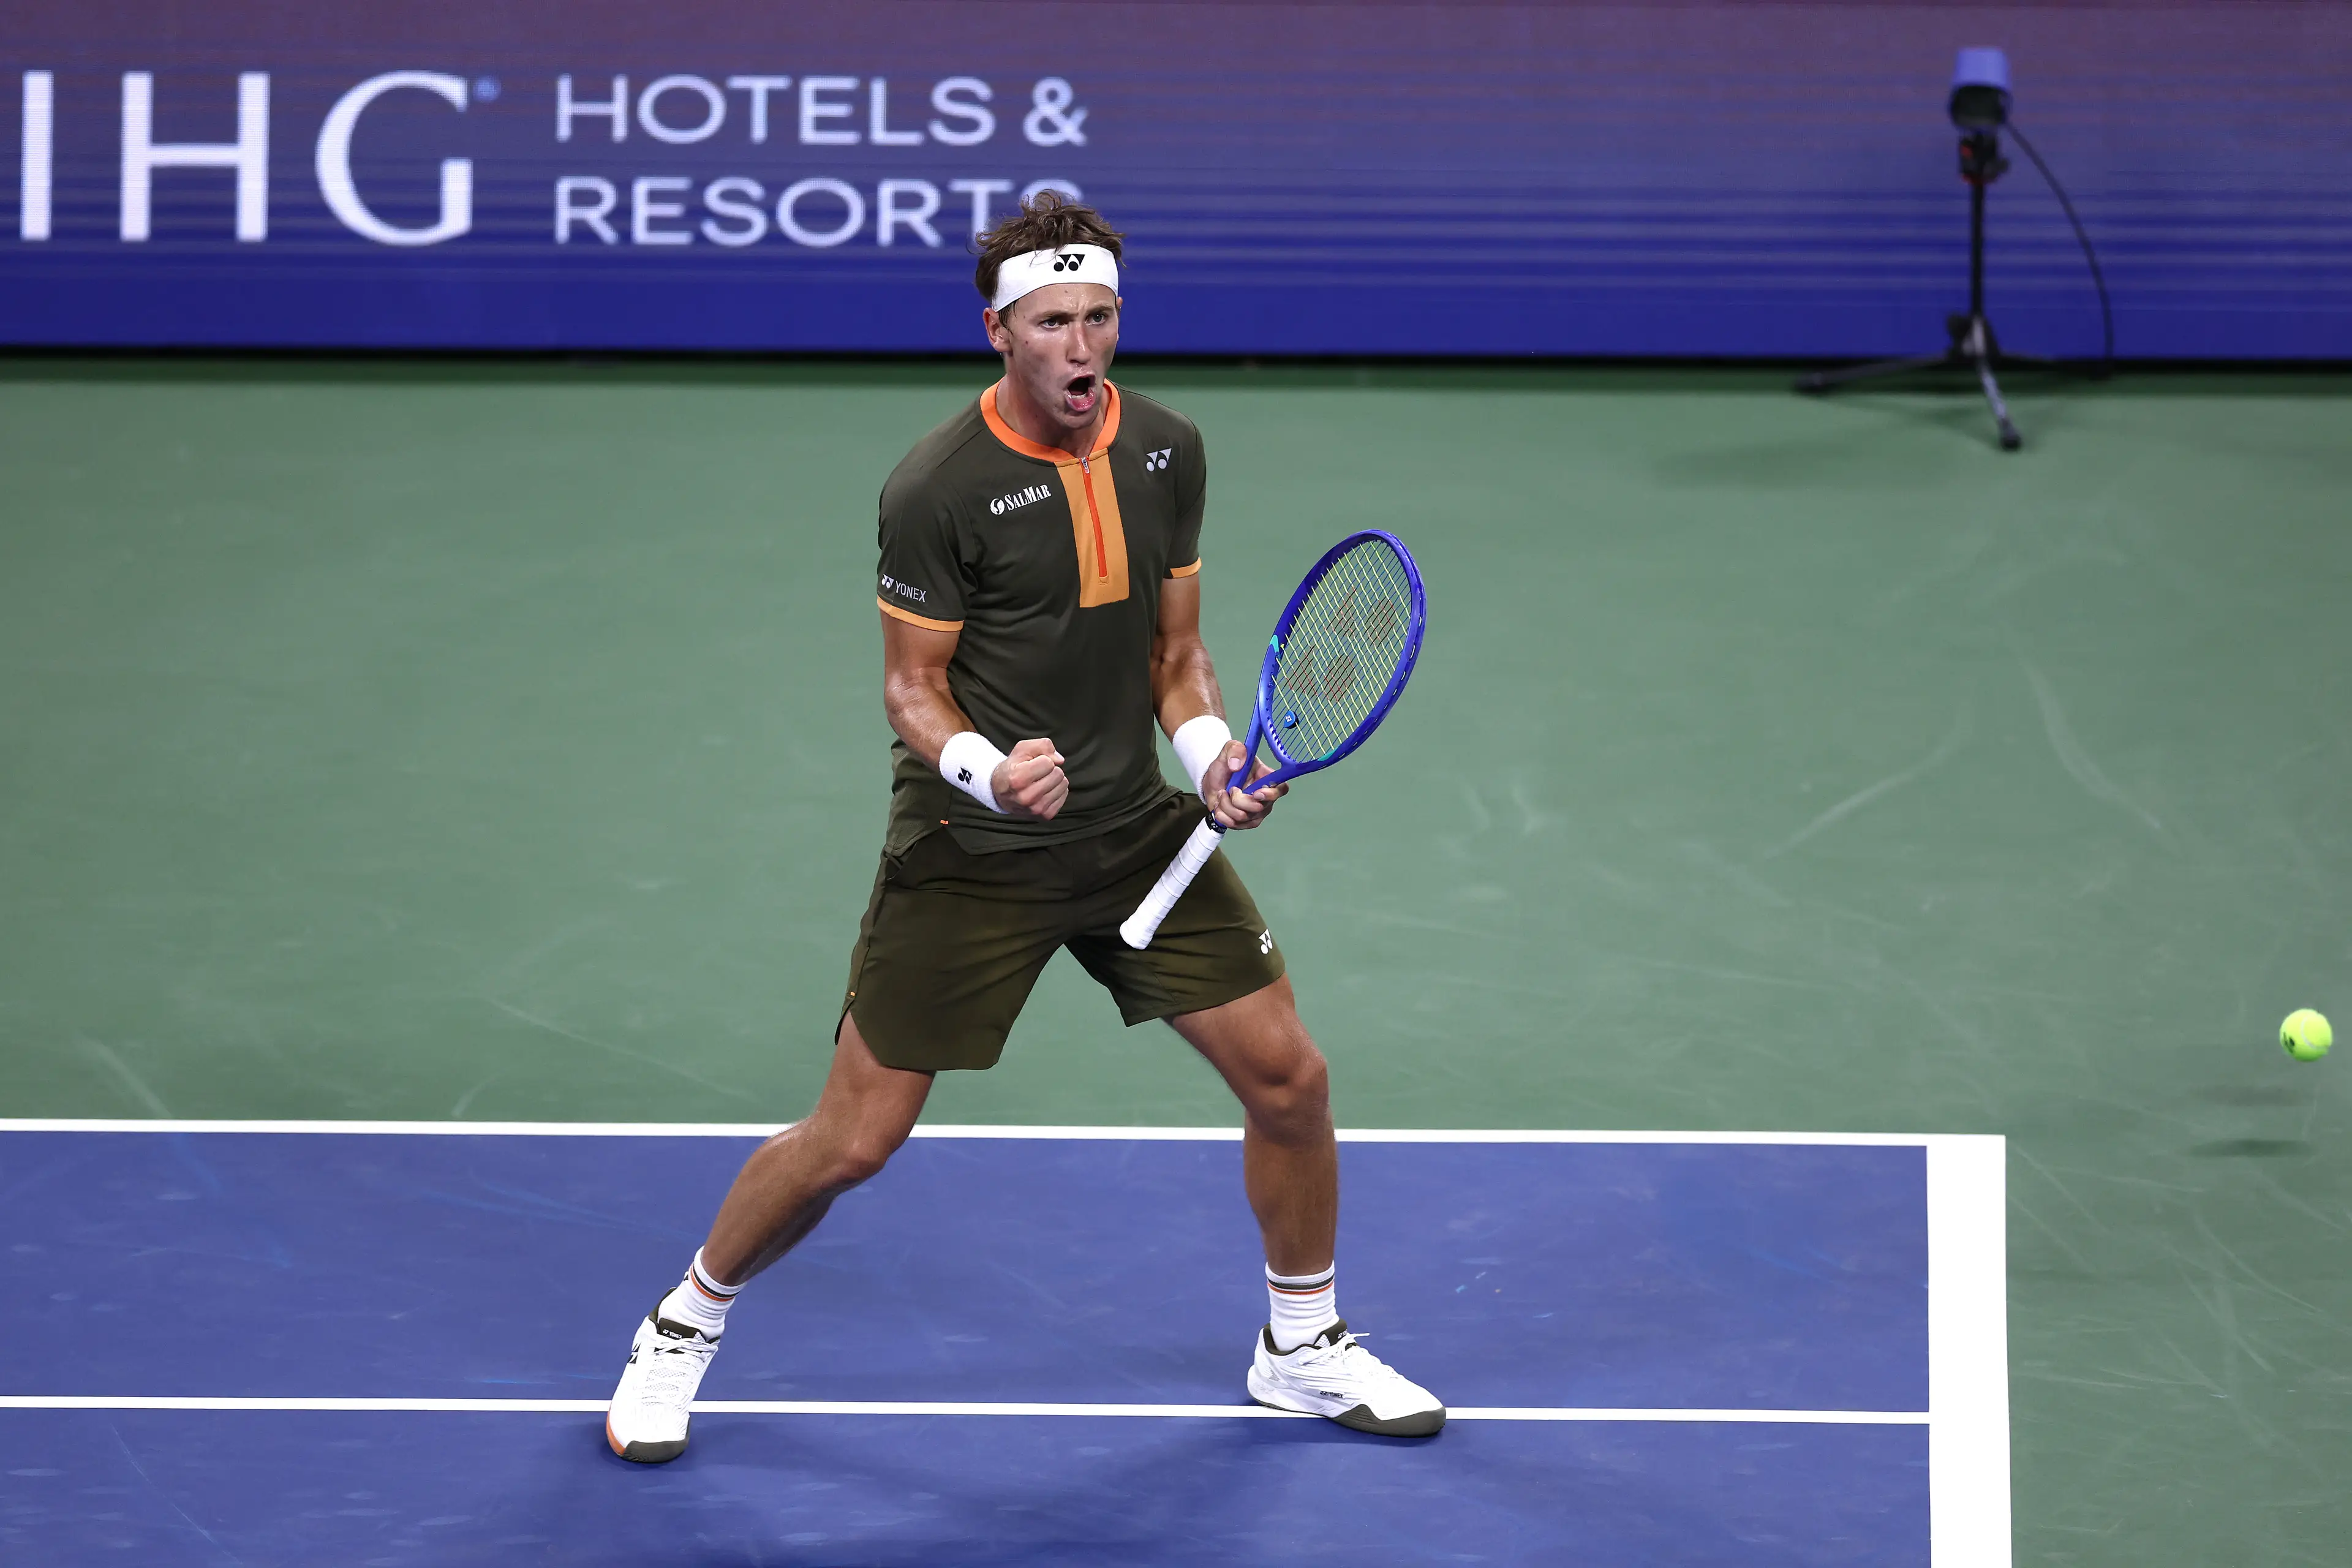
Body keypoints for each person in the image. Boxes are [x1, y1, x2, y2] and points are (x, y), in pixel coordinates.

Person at [605, 194, 1444, 1463]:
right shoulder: (937, 487)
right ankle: (682, 1323)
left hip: (1133, 830)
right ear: (997, 330)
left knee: (1292, 1080)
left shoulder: (1167, 449)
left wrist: (1212, 757)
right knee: (854, 1140)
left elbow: (1175, 656)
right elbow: (911, 689)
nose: (1082, 344)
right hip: (976, 849)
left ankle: (1301, 1345)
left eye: (1101, 316)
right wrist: (991, 773)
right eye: (1053, 321)